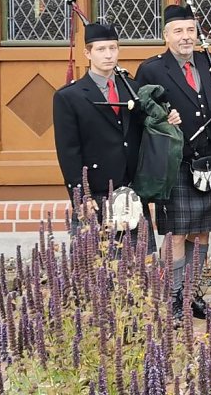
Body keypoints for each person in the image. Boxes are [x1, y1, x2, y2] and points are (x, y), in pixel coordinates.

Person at [135, 4, 211, 320]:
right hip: (177, 163)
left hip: (210, 160)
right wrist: (162, 117)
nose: (186, 37)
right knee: (175, 235)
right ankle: (172, 299)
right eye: (179, 31)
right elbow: (142, 112)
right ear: (166, 35)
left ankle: (191, 295)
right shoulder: (152, 69)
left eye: (190, 30)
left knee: (202, 232)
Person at [53, 22, 179, 251]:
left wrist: (166, 118)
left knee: (141, 269)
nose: (109, 55)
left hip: (132, 191)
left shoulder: (133, 89)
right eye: (101, 49)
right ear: (87, 53)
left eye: (113, 48)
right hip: (97, 192)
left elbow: (146, 129)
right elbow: (68, 151)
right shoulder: (69, 97)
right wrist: (80, 196)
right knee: (94, 271)